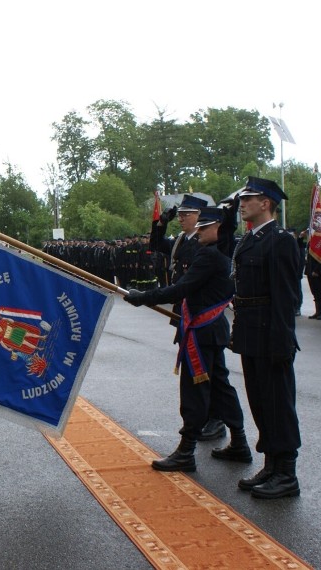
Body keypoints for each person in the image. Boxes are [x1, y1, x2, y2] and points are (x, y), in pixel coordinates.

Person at [125, 207, 250, 472]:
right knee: (220, 386)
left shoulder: (208, 255)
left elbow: (182, 288)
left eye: (204, 227)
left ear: (218, 228)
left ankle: (186, 450)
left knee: (194, 390)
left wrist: (143, 297)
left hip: (201, 333)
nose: (199, 231)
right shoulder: (224, 254)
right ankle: (239, 441)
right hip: (213, 329)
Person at [230, 177, 301, 499]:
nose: (242, 203)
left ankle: (287, 472)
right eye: (242, 199)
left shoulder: (280, 240)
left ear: (267, 203)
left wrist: (283, 341)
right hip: (251, 336)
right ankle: (271, 464)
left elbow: (287, 298)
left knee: (278, 405)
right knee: (260, 403)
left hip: (271, 337)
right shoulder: (249, 240)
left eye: (249, 198)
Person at [150, 194, 225, 441]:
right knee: (204, 373)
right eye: (179, 215)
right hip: (187, 313)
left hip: (202, 316)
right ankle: (213, 419)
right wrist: (161, 224)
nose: (181, 218)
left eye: (187, 215)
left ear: (200, 217)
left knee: (208, 374)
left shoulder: (205, 245)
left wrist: (147, 297)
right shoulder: (183, 240)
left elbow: (187, 283)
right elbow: (156, 245)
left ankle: (215, 420)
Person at [300, 229, 321, 320]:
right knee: (315, 292)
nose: (309, 234)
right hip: (309, 270)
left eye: (310, 233)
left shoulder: (319, 242)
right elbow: (300, 246)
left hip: (317, 271)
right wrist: (301, 237)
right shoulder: (310, 242)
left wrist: (316, 270)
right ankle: (318, 310)